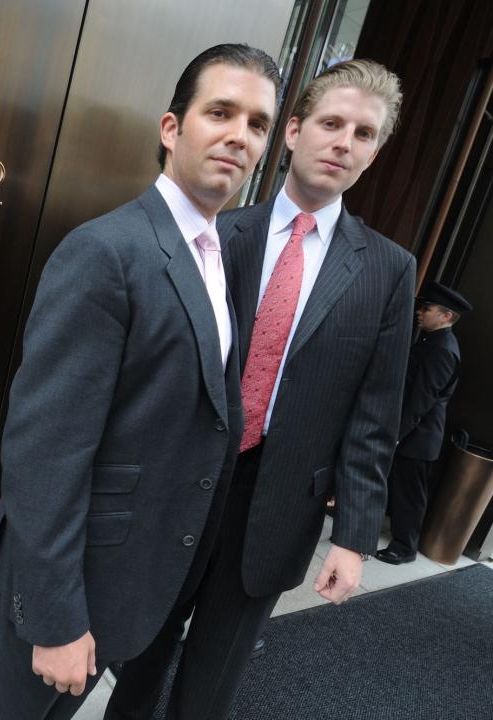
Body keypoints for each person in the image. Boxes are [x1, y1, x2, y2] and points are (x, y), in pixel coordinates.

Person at [0, 44, 280, 720]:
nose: (239, 135)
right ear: (171, 129)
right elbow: (44, 450)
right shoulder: (107, 251)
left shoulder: (212, 253)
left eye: (257, 123)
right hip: (71, 579)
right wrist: (54, 619)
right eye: (220, 112)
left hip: (135, 576)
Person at [110, 59, 415, 720]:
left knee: (211, 680)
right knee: (140, 660)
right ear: (293, 131)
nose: (344, 142)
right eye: (331, 123)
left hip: (278, 505)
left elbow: (375, 414)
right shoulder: (216, 231)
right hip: (179, 483)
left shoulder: (388, 270)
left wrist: (354, 535)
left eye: (364, 134)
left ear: (375, 152)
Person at [376, 281, 471, 564]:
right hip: (410, 432)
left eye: (427, 308)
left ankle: (404, 547)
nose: (420, 312)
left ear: (446, 316)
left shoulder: (443, 348)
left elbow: (421, 399)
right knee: (398, 487)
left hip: (418, 436)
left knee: (409, 494)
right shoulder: (432, 340)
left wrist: (396, 434)